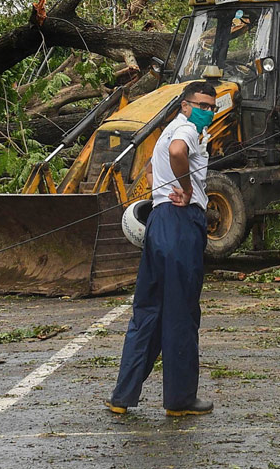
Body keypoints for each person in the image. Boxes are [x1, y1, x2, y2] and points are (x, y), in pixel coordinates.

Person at [108, 81, 216, 417]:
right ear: (185, 104)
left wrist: (166, 191)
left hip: (158, 222)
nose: (208, 111)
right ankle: (180, 400)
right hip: (181, 222)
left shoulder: (166, 131)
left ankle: (122, 397)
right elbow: (177, 154)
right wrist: (185, 188)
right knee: (181, 313)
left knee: (148, 312)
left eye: (212, 106)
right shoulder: (183, 129)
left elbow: (155, 171)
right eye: (202, 104)